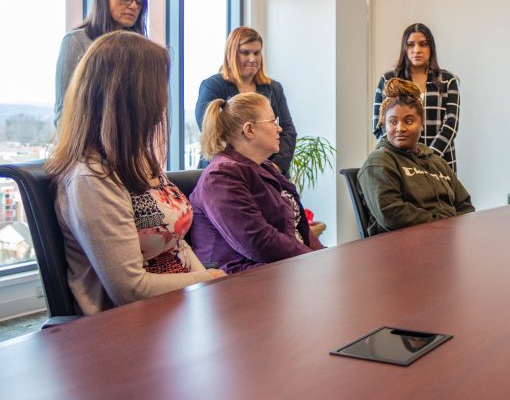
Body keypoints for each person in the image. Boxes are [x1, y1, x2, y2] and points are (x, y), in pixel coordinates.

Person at [45, 31, 225, 315]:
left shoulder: (137, 160)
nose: (164, 100)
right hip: (129, 330)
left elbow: (176, 246)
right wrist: (210, 280)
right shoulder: (91, 178)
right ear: (133, 97)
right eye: (159, 87)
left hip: (180, 309)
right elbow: (130, 290)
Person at [190, 92, 323, 273]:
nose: (279, 129)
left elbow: (299, 227)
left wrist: (324, 256)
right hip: (243, 280)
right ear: (249, 130)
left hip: (284, 270)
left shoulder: (265, 167)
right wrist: (315, 261)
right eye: (272, 122)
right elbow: (259, 242)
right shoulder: (220, 176)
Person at [359, 78, 474, 236]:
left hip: (445, 241)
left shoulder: (437, 161)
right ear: (385, 124)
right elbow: (391, 215)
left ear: (422, 124)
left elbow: (465, 205)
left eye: (409, 121)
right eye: (393, 122)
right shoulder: (379, 163)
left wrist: (452, 230)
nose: (400, 128)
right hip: (403, 249)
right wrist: (444, 224)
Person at [195, 26, 297, 176]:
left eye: (257, 53)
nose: (253, 59)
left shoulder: (274, 88)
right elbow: (211, 130)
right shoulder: (213, 86)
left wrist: (274, 167)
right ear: (231, 53)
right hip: (225, 171)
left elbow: (287, 131)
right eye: (245, 52)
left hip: (268, 172)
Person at [55, 0, 148, 125]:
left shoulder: (141, 51)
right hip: (84, 142)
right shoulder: (77, 41)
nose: (133, 6)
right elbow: (64, 108)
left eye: (139, 2)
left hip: (126, 143)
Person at [373, 23, 461, 172]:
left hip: (439, 162)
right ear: (404, 49)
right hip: (399, 164)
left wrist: (427, 157)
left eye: (423, 44)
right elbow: (379, 125)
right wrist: (401, 157)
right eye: (411, 45)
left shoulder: (448, 80)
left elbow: (450, 126)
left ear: (431, 48)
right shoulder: (389, 81)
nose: (417, 50)